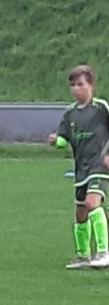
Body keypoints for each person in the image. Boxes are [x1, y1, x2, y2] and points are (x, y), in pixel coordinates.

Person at [47, 65, 109, 269]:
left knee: (92, 203)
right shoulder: (69, 113)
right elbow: (64, 139)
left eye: (81, 84)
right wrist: (56, 140)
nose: (77, 89)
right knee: (80, 212)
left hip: (99, 165)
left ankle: (103, 252)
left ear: (91, 85)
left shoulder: (101, 108)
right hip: (81, 167)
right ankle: (83, 256)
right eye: (73, 85)